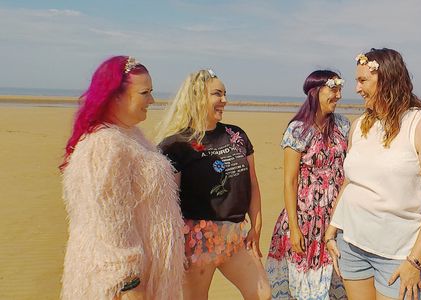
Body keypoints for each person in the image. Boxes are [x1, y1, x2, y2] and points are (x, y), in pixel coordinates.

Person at [324, 48, 421, 300]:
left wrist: (414, 262)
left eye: (363, 81)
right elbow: (350, 182)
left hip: (398, 254)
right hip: (351, 245)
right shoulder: (359, 125)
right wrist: (332, 229)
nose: (357, 89)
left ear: (387, 80)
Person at [59, 56, 185, 300]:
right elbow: (110, 224)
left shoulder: (130, 135)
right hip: (122, 289)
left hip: (148, 281)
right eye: (144, 93)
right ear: (115, 96)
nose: (152, 100)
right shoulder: (105, 145)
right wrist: (129, 285)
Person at [156, 69, 271, 300]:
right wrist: (176, 248)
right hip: (196, 240)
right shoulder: (176, 145)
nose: (224, 100)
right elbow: (168, 205)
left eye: (225, 94)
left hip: (235, 236)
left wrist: (256, 228)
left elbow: (253, 184)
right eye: (217, 94)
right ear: (198, 97)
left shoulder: (236, 135)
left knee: (262, 294)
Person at [266, 70, 349, 299]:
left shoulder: (343, 125)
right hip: (305, 219)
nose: (339, 95)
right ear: (316, 91)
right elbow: (290, 181)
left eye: (340, 89)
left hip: (336, 217)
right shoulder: (298, 129)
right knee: (305, 288)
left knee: (335, 284)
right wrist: (294, 228)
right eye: (333, 89)